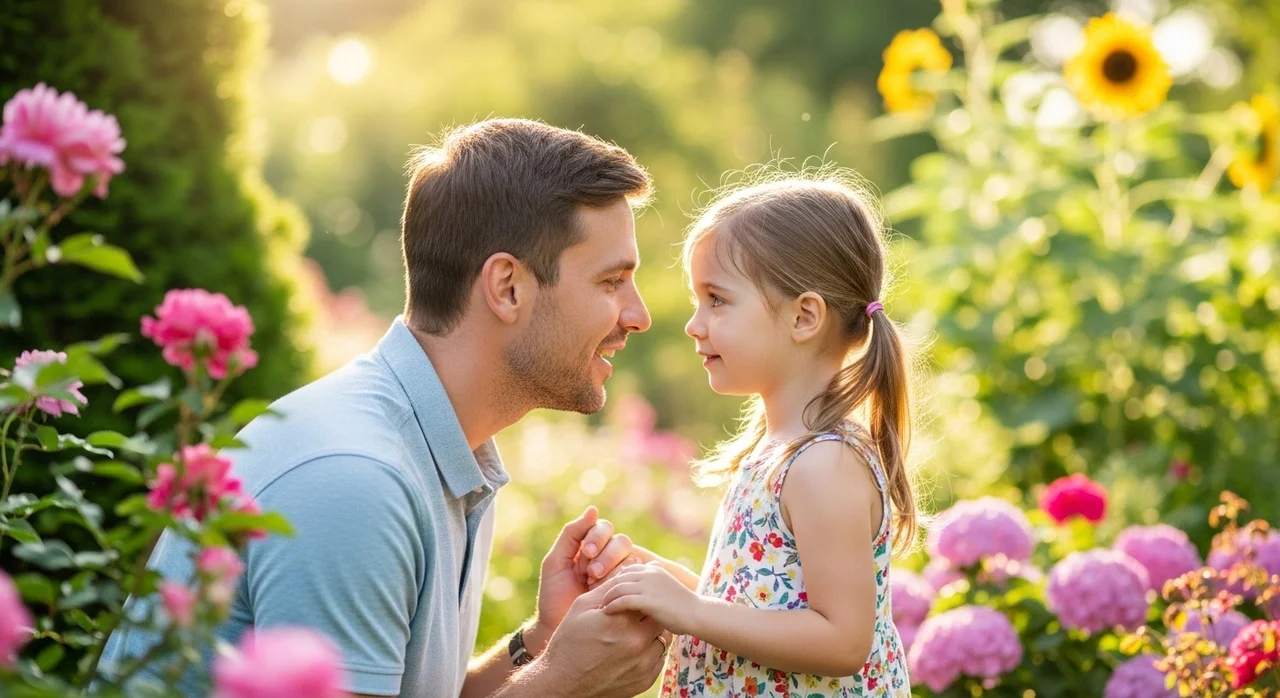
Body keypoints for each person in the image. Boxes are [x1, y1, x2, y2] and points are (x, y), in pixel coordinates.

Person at [101, 119, 670, 698]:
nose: (639, 314)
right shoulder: (355, 480)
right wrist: (560, 684)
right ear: (507, 287)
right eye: (612, 281)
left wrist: (541, 643)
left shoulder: (434, 445)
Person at [598, 175, 919, 697]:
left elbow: (842, 641)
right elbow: (758, 608)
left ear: (804, 316)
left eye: (717, 300)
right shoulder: (777, 453)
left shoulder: (824, 465)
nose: (694, 325)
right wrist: (652, 579)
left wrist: (692, 611)